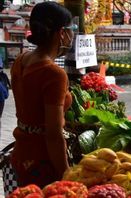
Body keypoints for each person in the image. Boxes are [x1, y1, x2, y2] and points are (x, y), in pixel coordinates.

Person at [10, 1, 74, 187]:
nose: (72, 34)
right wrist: (65, 174)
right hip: (42, 161)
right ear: (61, 33)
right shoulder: (54, 73)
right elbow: (53, 134)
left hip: (21, 154)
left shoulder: (21, 59)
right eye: (71, 29)